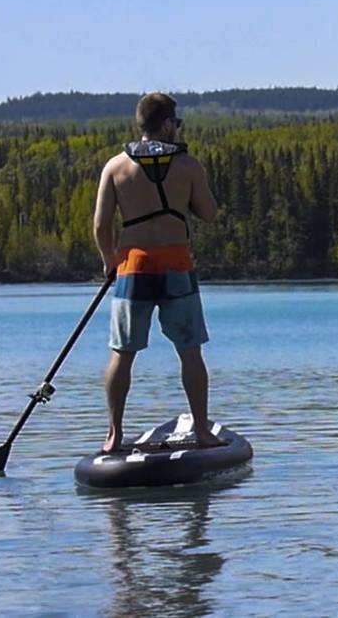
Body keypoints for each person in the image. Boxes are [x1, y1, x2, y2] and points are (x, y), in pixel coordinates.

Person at [92, 93, 222, 453]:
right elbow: (210, 213)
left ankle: (114, 434)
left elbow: (101, 225)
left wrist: (109, 260)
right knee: (190, 352)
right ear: (166, 124)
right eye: (176, 122)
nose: (177, 128)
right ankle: (201, 430)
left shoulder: (115, 167)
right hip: (176, 264)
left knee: (122, 353)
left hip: (133, 266)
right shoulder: (188, 166)